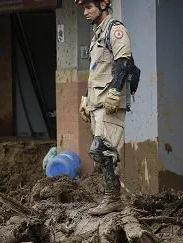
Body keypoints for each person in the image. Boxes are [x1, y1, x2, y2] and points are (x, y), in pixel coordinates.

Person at [76, 0, 132, 215]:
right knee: (102, 152)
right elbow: (97, 71)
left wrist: (116, 92)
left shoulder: (115, 30)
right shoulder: (98, 33)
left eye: (88, 7)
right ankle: (112, 196)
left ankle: (112, 199)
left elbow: (123, 63)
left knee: (101, 149)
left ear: (103, 5)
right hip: (98, 102)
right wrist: (87, 101)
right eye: (83, 8)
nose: (85, 12)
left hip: (110, 103)